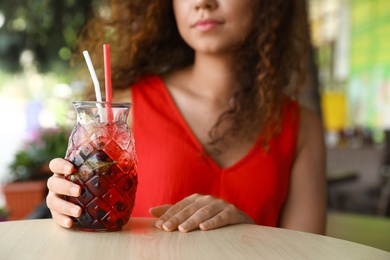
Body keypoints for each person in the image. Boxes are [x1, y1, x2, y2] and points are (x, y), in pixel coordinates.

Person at [47, 0, 326, 234]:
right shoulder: (121, 109)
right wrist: (67, 205)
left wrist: (245, 232)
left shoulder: (302, 127)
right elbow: (91, 205)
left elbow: (306, 252)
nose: (203, 3)